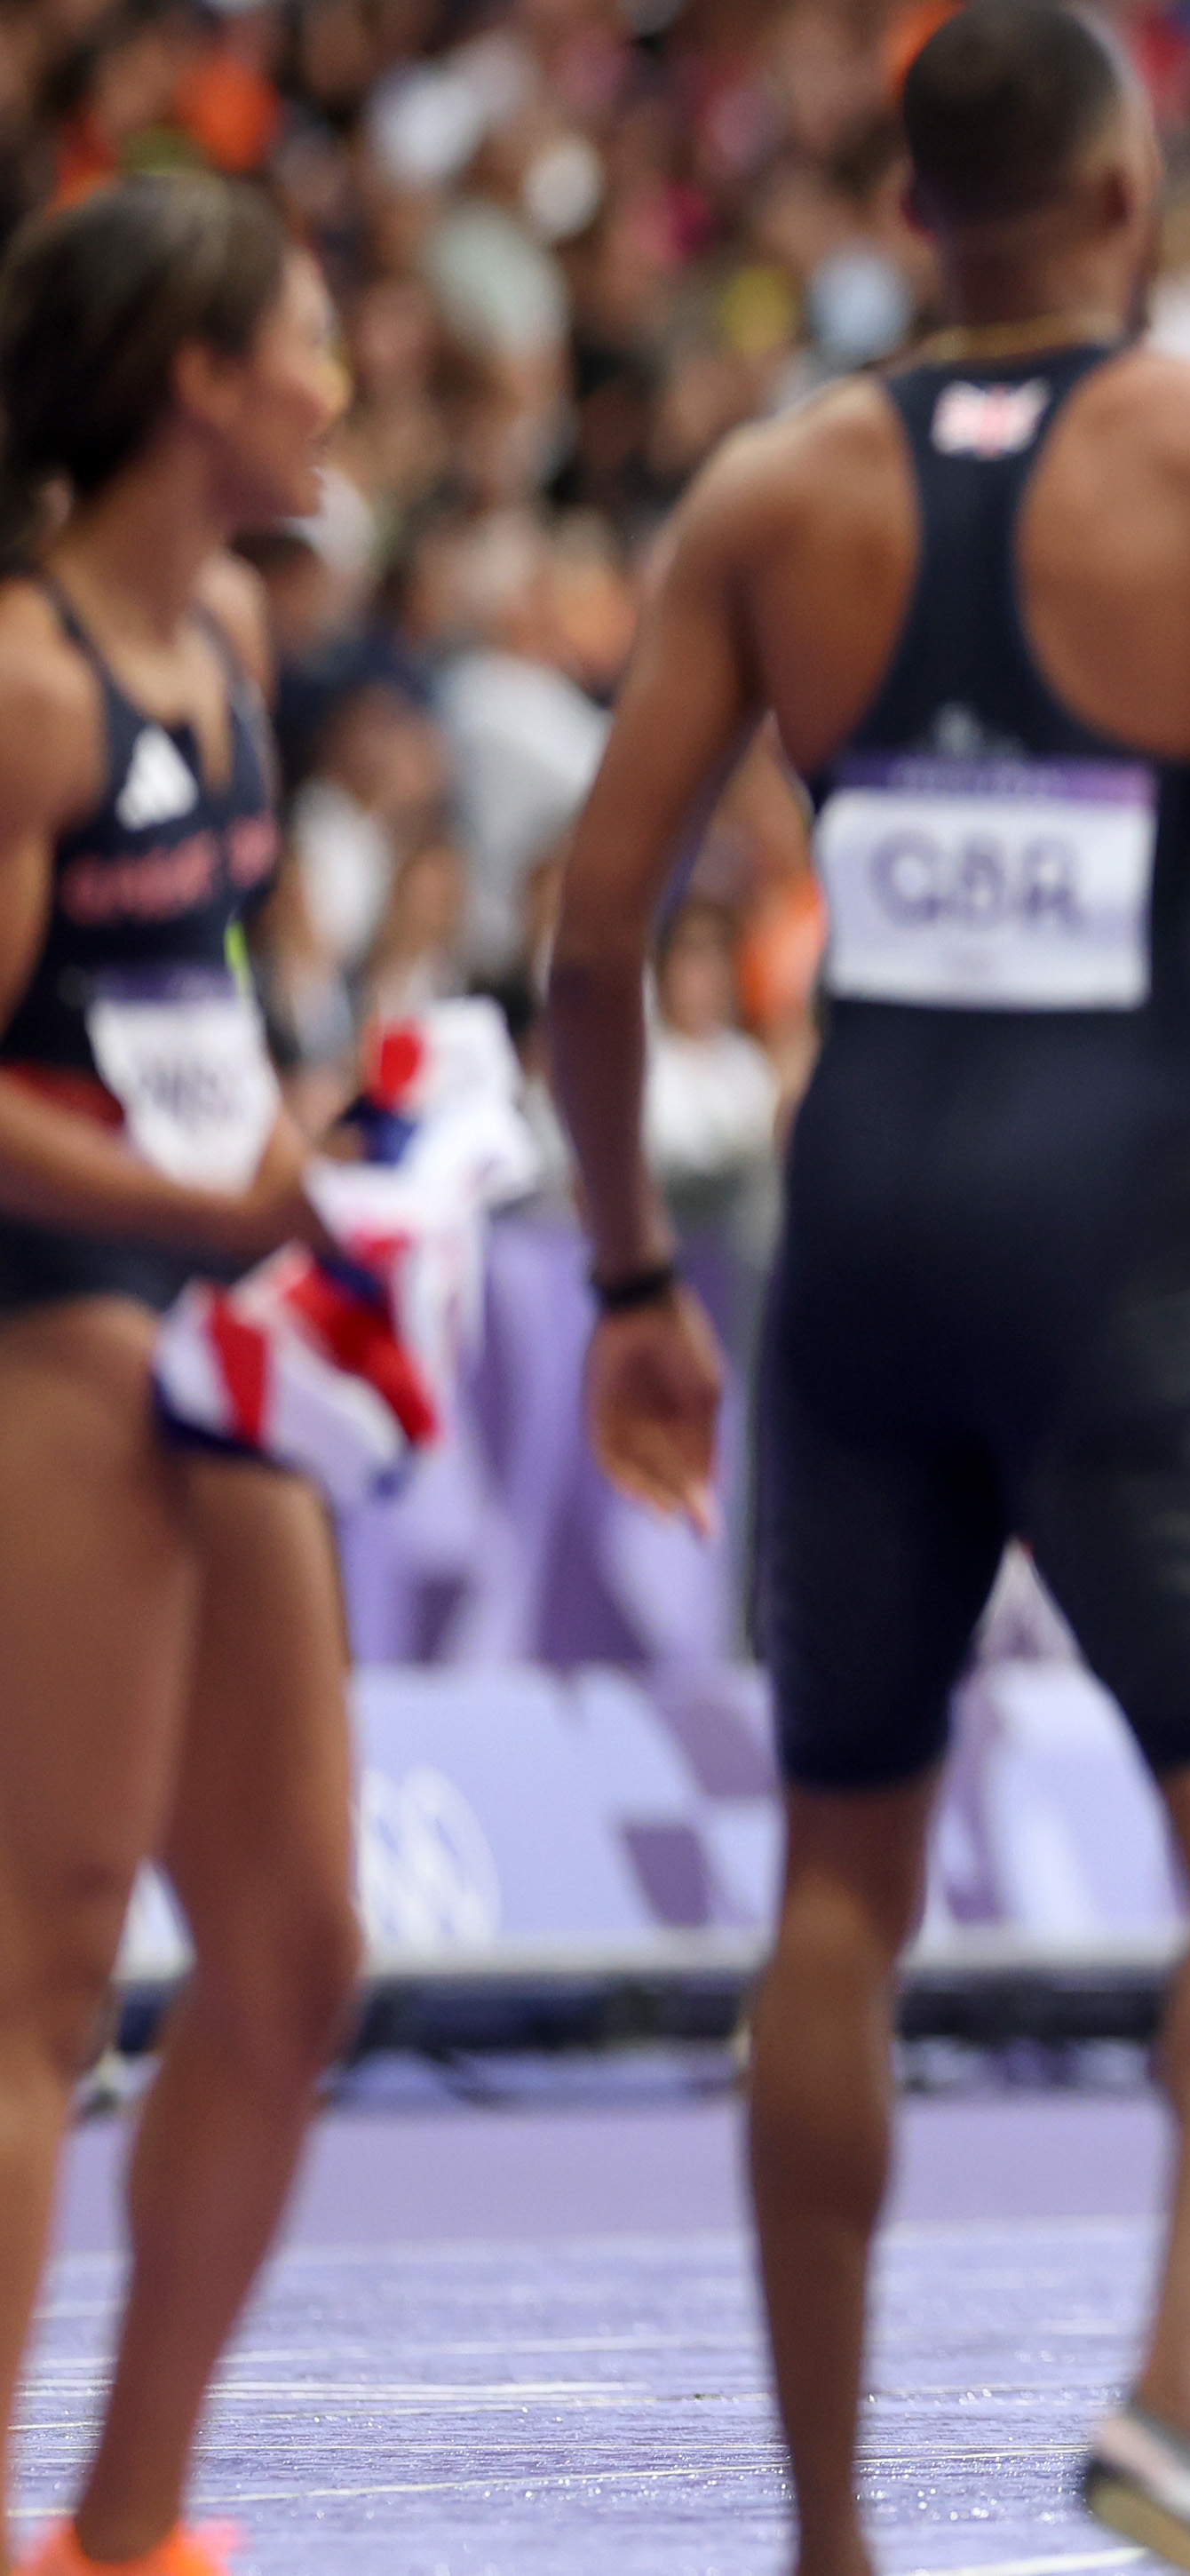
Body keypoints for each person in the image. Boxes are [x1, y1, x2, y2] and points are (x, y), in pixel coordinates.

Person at [544, 10, 1190, 2572]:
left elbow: (589, 926)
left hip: (852, 1220)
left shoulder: (771, 490)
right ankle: (1178, 2402)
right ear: (1120, 193)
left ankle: (833, 2532)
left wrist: (635, 1262)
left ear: (903, 209)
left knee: (835, 1882)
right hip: (1125, 1229)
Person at [0, 177, 362, 2576]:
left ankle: (127, 2521)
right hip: (51, 1319)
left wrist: (345, 1137)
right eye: (307, 337)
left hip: (215, 1320)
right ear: (196, 383)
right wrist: (192, 1202)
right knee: (42, 1956)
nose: (341, 376)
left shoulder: (227, 635)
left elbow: (209, 1013)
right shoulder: (28, 685)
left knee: (300, 1944)